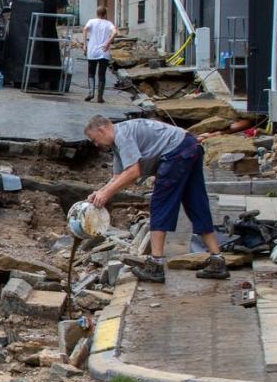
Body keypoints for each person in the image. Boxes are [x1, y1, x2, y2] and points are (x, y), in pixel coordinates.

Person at [84, 116, 230, 282]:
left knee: (160, 205)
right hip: (190, 145)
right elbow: (118, 176)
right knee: (196, 203)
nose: (96, 144)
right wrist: (100, 192)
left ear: (102, 130)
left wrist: (107, 194)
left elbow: (133, 172)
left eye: (95, 139)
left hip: (176, 153)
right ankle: (217, 260)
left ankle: (156, 265)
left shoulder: (122, 135)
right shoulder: (120, 139)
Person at [83, 6, 117, 103]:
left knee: (91, 73)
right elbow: (115, 32)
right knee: (102, 74)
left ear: (97, 13)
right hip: (104, 51)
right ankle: (100, 97)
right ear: (105, 14)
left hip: (92, 50)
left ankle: (91, 93)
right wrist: (108, 42)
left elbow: (85, 29)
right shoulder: (108, 23)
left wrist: (85, 45)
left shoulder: (91, 21)